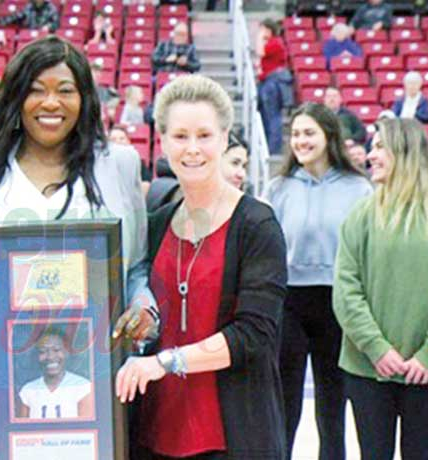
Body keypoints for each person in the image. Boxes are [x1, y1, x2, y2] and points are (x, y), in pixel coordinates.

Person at [0, 35, 157, 460]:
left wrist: (144, 310)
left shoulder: (119, 164)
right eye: (36, 90)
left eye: (65, 90)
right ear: (16, 97)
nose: (51, 103)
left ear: (85, 100)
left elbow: (135, 268)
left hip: (97, 376)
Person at [116, 74, 288, 459]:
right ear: (162, 142)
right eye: (180, 136)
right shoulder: (156, 222)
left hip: (231, 436)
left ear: (225, 139)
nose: (192, 148)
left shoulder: (257, 224)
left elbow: (255, 334)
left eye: (204, 135)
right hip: (155, 434)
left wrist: (167, 362)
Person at [334, 118, 428, 460]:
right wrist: (376, 347)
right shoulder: (362, 213)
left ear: (405, 150)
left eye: (380, 146)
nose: (371, 156)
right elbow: (345, 288)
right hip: (368, 367)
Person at [267, 103, 373, 460]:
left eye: (309, 133)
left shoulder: (359, 188)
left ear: (329, 137)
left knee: (332, 405)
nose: (301, 140)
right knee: (285, 403)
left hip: (338, 304)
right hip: (290, 304)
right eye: (296, 134)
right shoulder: (278, 187)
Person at [16, 327, 93, 419]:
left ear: (67, 353)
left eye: (56, 350)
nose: (50, 357)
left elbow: (87, 430)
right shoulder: (28, 390)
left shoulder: (83, 387)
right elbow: (22, 430)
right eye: (43, 351)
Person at [257, 18, 292, 157]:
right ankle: (267, 147)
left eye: (263, 29)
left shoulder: (275, 42)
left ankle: (274, 150)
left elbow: (261, 52)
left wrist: (260, 38)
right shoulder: (273, 42)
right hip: (267, 80)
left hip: (273, 82)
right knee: (266, 116)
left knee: (273, 116)